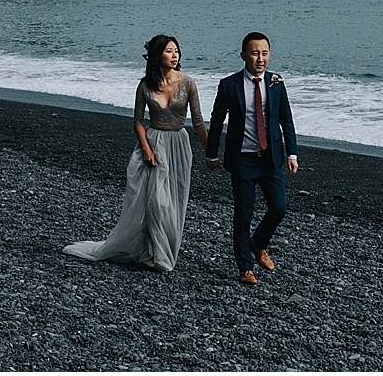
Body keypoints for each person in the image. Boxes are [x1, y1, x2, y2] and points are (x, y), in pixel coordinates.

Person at [64, 35, 207, 272]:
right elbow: (138, 121)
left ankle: (156, 249)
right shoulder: (145, 86)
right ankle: (157, 254)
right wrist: (146, 149)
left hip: (179, 145)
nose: (175, 55)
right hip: (153, 143)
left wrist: (210, 153)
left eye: (177, 51)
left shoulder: (188, 83)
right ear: (156, 55)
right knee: (155, 201)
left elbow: (199, 122)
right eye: (169, 51)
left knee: (174, 198)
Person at [205, 31, 299, 285]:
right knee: (243, 214)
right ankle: (245, 267)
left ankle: (258, 244)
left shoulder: (276, 82)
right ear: (243, 55)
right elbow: (216, 122)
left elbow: (286, 120)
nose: (260, 58)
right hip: (243, 160)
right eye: (255, 53)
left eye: (265, 53)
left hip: (270, 158)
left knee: (279, 208)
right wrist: (211, 154)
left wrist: (292, 153)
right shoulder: (229, 85)